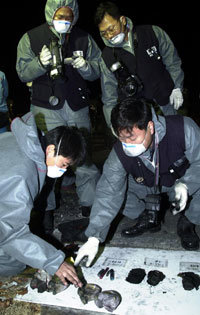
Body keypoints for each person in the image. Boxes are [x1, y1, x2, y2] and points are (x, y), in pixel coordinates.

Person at [74, 98, 200, 268]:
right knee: (111, 188)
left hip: (179, 182)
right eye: (122, 139)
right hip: (146, 185)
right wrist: (94, 237)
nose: (128, 146)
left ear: (150, 127)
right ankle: (146, 217)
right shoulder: (119, 152)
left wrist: (187, 184)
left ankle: (188, 222)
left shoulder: (184, 129)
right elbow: (108, 193)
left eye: (133, 139)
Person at [16, 0, 101, 220]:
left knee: (84, 158)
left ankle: (89, 205)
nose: (64, 20)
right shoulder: (30, 38)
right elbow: (23, 73)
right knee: (47, 158)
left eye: (68, 17)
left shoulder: (84, 37)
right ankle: (46, 208)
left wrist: (86, 67)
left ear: (75, 16)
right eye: (59, 16)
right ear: (50, 13)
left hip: (76, 106)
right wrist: (39, 63)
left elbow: (97, 71)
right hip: (45, 109)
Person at [0, 111, 86, 288]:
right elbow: (10, 232)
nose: (63, 170)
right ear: (50, 149)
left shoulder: (19, 141)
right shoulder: (22, 175)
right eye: (64, 164)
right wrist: (55, 262)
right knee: (13, 263)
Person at [94, 1, 184, 128]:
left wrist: (177, 87)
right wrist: (114, 125)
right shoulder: (106, 58)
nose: (109, 35)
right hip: (138, 116)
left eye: (111, 29)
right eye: (103, 33)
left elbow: (173, 62)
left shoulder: (153, 33)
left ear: (122, 20)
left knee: (177, 135)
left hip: (168, 101)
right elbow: (109, 98)